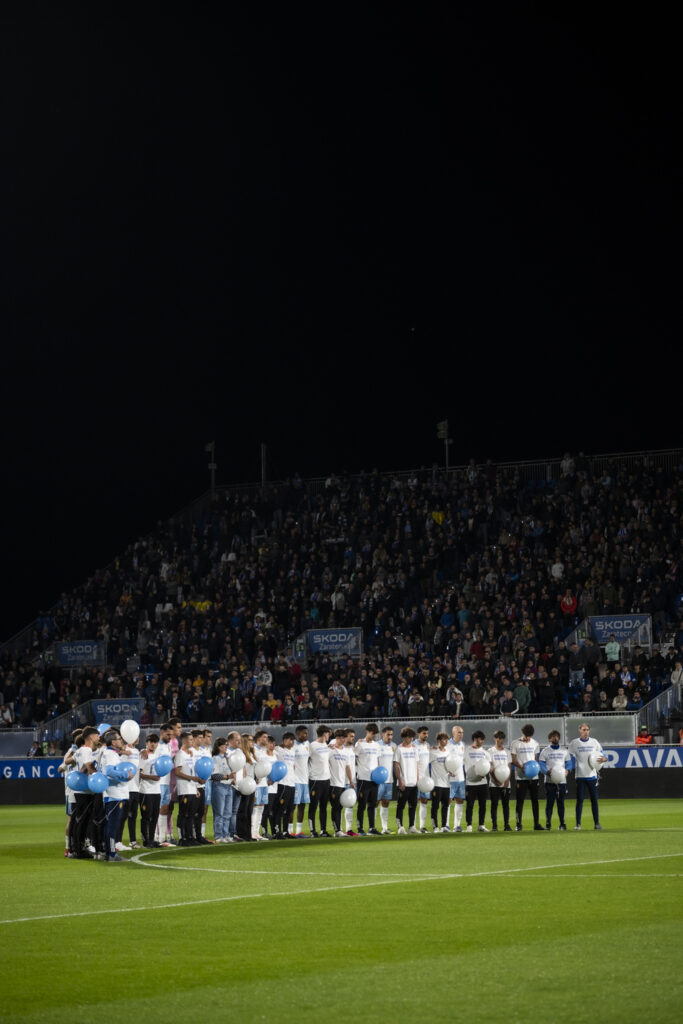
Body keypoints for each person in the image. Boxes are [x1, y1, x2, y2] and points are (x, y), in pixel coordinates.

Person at [568, 722, 607, 830]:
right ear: (580, 731)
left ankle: (597, 823)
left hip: (592, 776)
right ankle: (578, 824)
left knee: (594, 800)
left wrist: (605, 758)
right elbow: (568, 756)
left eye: (587, 730)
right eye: (584, 730)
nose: (586, 732)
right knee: (580, 800)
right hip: (580, 776)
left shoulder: (594, 742)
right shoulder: (574, 743)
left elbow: (603, 753)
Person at [538, 729, 573, 830]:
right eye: (553, 736)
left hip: (562, 781)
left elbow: (569, 763)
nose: (555, 738)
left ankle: (562, 824)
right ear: (549, 739)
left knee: (561, 803)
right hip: (549, 781)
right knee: (550, 803)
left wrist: (568, 771)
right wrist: (546, 772)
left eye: (557, 736)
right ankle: (548, 824)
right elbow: (541, 764)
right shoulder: (545, 751)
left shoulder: (564, 750)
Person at [511, 723, 543, 831]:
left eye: (530, 736)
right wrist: (521, 767)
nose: (528, 738)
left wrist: (535, 769)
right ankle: (518, 824)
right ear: (522, 732)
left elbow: (536, 759)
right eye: (526, 735)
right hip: (521, 777)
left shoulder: (535, 743)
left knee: (535, 801)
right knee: (520, 801)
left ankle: (536, 824)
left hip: (534, 777)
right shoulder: (515, 743)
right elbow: (513, 759)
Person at [355, 723, 381, 835]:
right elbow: (354, 759)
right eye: (372, 733)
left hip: (374, 780)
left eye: (375, 734)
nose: (374, 735)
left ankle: (372, 828)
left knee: (372, 805)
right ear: (367, 732)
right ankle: (360, 828)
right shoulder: (359, 744)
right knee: (362, 805)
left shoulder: (377, 745)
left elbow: (377, 761)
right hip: (363, 779)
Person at [393, 726, 420, 834]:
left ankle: (412, 826)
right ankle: (400, 827)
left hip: (414, 783)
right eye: (409, 737)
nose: (411, 739)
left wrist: (418, 779)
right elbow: (396, 765)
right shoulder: (399, 749)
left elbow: (417, 764)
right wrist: (400, 780)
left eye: (412, 737)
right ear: (404, 737)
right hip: (404, 783)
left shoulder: (415, 748)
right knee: (401, 806)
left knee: (413, 806)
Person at [328, 728, 354, 836]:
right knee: (335, 807)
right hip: (333, 783)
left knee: (340, 807)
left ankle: (338, 830)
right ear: (336, 738)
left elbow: (347, 767)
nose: (342, 740)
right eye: (340, 738)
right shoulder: (330, 749)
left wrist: (351, 780)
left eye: (344, 738)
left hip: (342, 783)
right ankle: (337, 830)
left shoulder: (345, 751)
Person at [308, 724, 332, 837]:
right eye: (328, 734)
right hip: (315, 780)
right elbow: (306, 760)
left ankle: (323, 830)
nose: (329, 736)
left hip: (326, 780)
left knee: (323, 807)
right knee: (313, 806)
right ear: (324, 734)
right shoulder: (312, 745)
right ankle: (312, 831)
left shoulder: (326, 745)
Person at [138, 732, 162, 847]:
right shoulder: (143, 755)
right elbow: (139, 774)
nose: (153, 744)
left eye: (155, 742)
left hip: (157, 791)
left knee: (155, 817)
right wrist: (152, 777)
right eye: (151, 742)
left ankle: (152, 839)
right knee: (146, 817)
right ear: (147, 743)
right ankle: (145, 840)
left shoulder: (157, 756)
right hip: (145, 791)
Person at [463, 730, 489, 832]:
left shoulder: (485, 753)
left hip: (483, 782)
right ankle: (469, 825)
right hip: (470, 783)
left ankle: (481, 825)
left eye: (483, 739)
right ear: (475, 739)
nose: (482, 741)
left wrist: (486, 772)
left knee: (482, 805)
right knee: (470, 805)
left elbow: (488, 766)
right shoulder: (466, 751)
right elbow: (459, 763)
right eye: (481, 739)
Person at [487, 729, 512, 832]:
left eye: (502, 738)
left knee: (506, 805)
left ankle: (507, 825)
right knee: (494, 805)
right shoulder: (490, 751)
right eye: (498, 738)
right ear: (495, 739)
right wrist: (496, 780)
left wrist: (507, 780)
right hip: (494, 784)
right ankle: (494, 826)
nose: (501, 740)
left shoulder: (507, 752)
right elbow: (490, 767)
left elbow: (509, 767)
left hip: (506, 783)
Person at [273, 731, 296, 838]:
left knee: (289, 810)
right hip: (282, 783)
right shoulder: (278, 750)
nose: (292, 742)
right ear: (285, 740)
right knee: (280, 809)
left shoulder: (293, 751)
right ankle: (277, 831)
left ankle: (286, 831)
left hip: (292, 784)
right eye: (290, 740)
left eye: (293, 740)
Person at [429, 732, 451, 832]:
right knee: (435, 806)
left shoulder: (448, 752)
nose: (445, 741)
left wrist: (451, 771)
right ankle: (435, 827)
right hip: (436, 784)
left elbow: (450, 765)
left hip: (447, 783)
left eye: (446, 740)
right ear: (439, 740)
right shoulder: (433, 752)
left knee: (445, 806)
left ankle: (444, 826)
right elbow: (424, 764)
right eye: (443, 739)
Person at [447, 724, 466, 833]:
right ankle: (446, 825)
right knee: (448, 801)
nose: (461, 734)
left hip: (460, 777)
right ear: (453, 733)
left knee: (460, 800)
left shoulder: (462, 745)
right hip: (450, 779)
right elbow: (444, 760)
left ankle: (457, 825)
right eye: (459, 732)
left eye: (462, 732)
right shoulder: (447, 744)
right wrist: (448, 771)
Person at [292, 724, 311, 837]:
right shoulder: (293, 745)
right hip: (295, 780)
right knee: (293, 806)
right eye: (304, 733)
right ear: (298, 734)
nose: (307, 735)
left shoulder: (307, 744)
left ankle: (299, 831)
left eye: (307, 733)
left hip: (305, 780)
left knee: (302, 806)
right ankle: (290, 831)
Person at [377, 725, 396, 834]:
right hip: (378, 780)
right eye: (388, 734)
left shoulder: (394, 746)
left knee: (386, 803)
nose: (390, 737)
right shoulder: (377, 745)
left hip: (389, 780)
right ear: (382, 734)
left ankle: (385, 828)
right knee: (375, 803)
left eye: (391, 735)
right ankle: (372, 827)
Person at [414, 725, 432, 833]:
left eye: (427, 733)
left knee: (424, 801)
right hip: (416, 778)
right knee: (414, 802)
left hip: (425, 778)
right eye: (424, 733)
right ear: (418, 734)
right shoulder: (413, 745)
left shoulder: (428, 745)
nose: (426, 735)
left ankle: (422, 826)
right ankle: (412, 826)